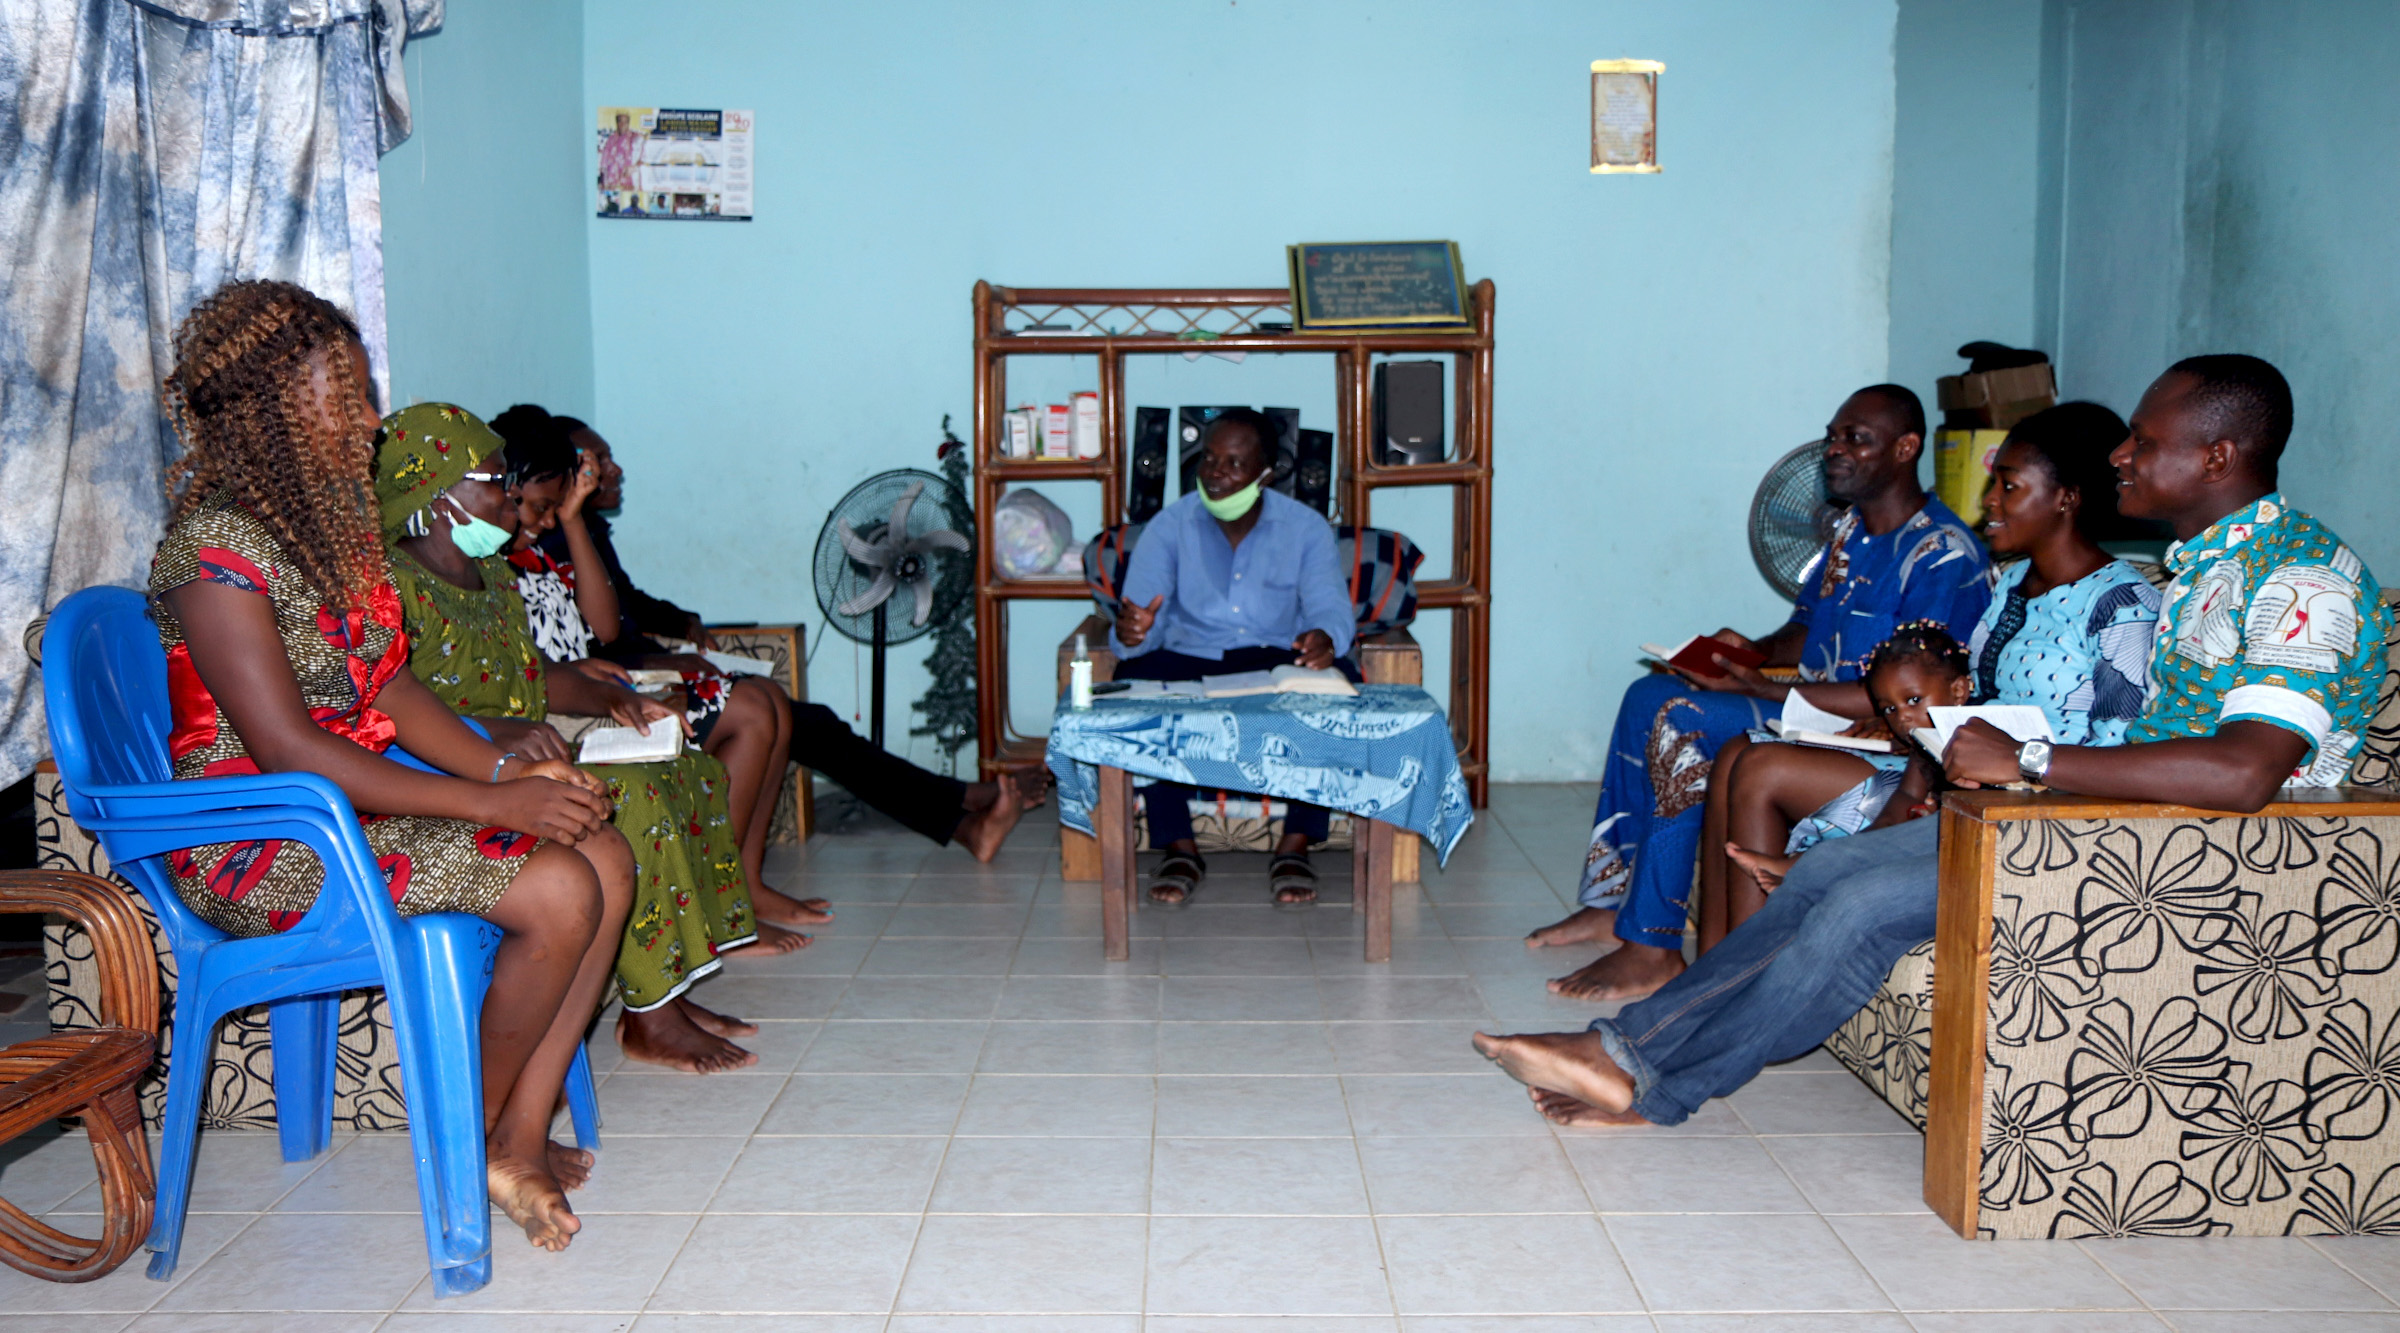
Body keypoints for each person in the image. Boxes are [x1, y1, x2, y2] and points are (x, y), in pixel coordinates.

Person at [1473, 353, 2392, 1129]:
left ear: (2219, 454)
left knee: (1856, 910)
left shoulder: (2299, 577)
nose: (2121, 452)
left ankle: (1646, 1081)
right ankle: (1621, 1053)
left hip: (2202, 856)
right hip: (2109, 816)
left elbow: (2246, 771)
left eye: (2144, 442)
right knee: (1831, 871)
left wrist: (2028, 761)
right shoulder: (2200, 570)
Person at [149, 280, 628, 1251]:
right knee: (560, 889)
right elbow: (290, 746)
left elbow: (391, 687)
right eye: (345, 397)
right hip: (264, 834)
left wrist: (508, 779)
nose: (370, 418)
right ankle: (465, 1146)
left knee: (606, 856)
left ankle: (514, 1134)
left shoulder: (329, 531)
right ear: (270, 411)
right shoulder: (216, 551)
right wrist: (489, 798)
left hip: (347, 807)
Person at [1527, 385, 1991, 1000]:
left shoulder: (1940, 557)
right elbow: (1802, 631)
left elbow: (1916, 702)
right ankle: (1611, 903)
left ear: (1907, 449)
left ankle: (1652, 945)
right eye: (1832, 436)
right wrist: (1747, 653)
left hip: (1876, 734)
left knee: (1681, 717)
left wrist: (1765, 692)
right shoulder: (1850, 532)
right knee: (1649, 694)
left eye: (1856, 439)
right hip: (1807, 707)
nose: (1834, 451)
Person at [378, 403, 786, 1077]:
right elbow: (404, 706)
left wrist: (613, 697)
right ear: (441, 495)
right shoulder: (394, 588)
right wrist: (498, 734)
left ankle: (668, 993)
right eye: (495, 481)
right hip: (468, 766)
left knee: (681, 768)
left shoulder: (496, 578)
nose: (509, 499)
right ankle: (649, 1015)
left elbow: (535, 675)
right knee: (630, 799)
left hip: (530, 748)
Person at [1698, 402, 2161, 946]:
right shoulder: (2011, 584)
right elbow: (1971, 696)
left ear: (2067, 498)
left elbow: (2115, 747)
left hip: (2026, 799)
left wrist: (1993, 770)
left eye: (2008, 487)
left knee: (1763, 769)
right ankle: (1714, 971)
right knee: (1737, 753)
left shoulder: (2123, 605)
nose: (1987, 501)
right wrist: (1907, 728)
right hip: (1949, 770)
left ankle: (1742, 982)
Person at [499, 403, 1042, 863]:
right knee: (794, 718)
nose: (611, 472)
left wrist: (683, 625)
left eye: (607, 461)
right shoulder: (546, 537)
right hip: (623, 680)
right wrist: (657, 664)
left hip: (642, 666)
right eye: (596, 463)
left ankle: (962, 809)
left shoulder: (580, 531)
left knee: (797, 715)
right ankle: (963, 808)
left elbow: (626, 604)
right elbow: (597, 642)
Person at [1108, 407, 1357, 904]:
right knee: (1133, 682)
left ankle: (1295, 845)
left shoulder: (1305, 529)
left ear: (1267, 473)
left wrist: (1325, 639)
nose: (1216, 472)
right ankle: (1179, 847)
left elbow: (1331, 609)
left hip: (1273, 657)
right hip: (1189, 655)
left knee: (1338, 686)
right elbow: (1137, 620)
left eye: (1234, 463)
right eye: (1209, 459)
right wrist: (1133, 632)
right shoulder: (1168, 526)